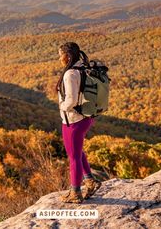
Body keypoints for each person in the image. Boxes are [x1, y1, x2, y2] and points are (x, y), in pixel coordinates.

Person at [56, 42, 101, 203]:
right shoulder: (83, 67)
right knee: (79, 151)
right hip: (86, 117)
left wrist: (62, 106)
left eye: (60, 55)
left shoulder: (70, 74)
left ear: (67, 56)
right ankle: (90, 180)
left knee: (73, 157)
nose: (59, 58)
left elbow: (72, 100)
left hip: (73, 120)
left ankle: (75, 192)